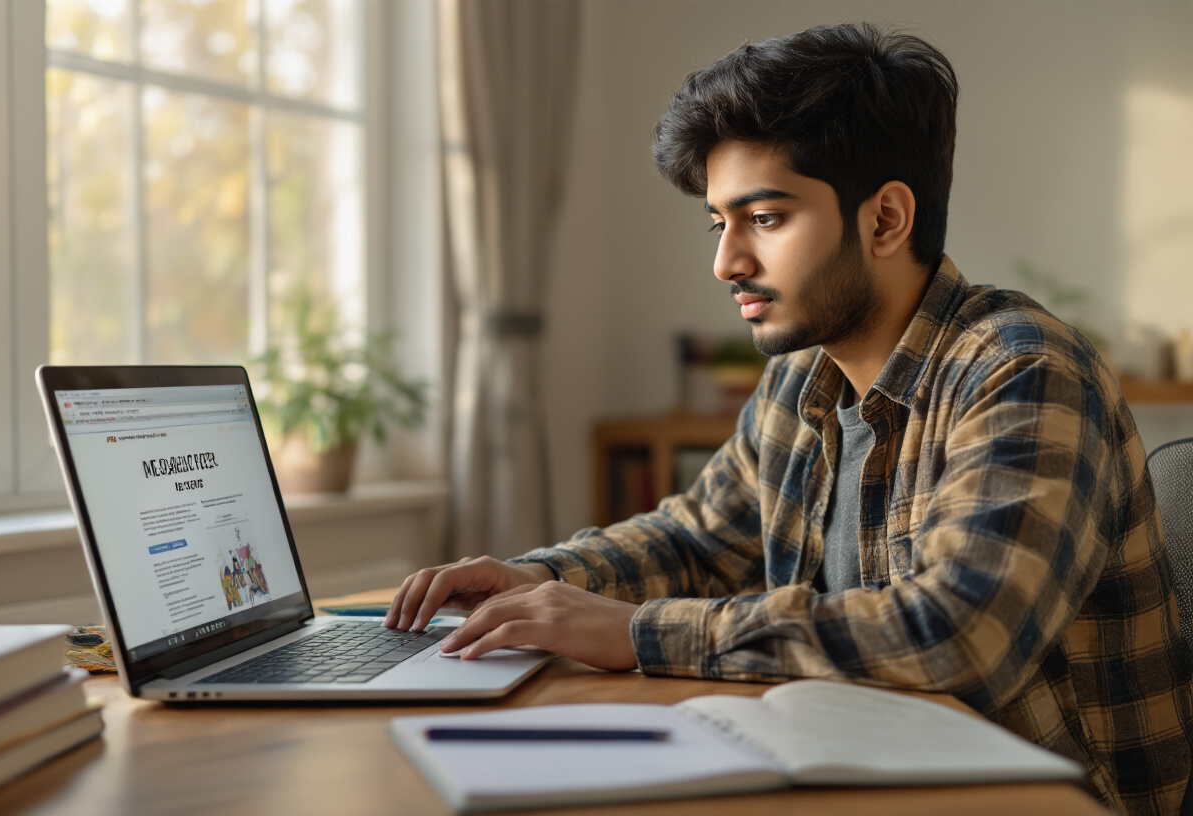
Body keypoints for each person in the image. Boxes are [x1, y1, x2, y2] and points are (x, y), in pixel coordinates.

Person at [385, 23, 1192, 813]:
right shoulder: (800, 379)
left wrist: (635, 632)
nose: (726, 261)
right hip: (870, 772)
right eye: (719, 222)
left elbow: (957, 637)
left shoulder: (1022, 368)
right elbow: (698, 539)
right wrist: (545, 578)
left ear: (885, 219)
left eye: (764, 219)